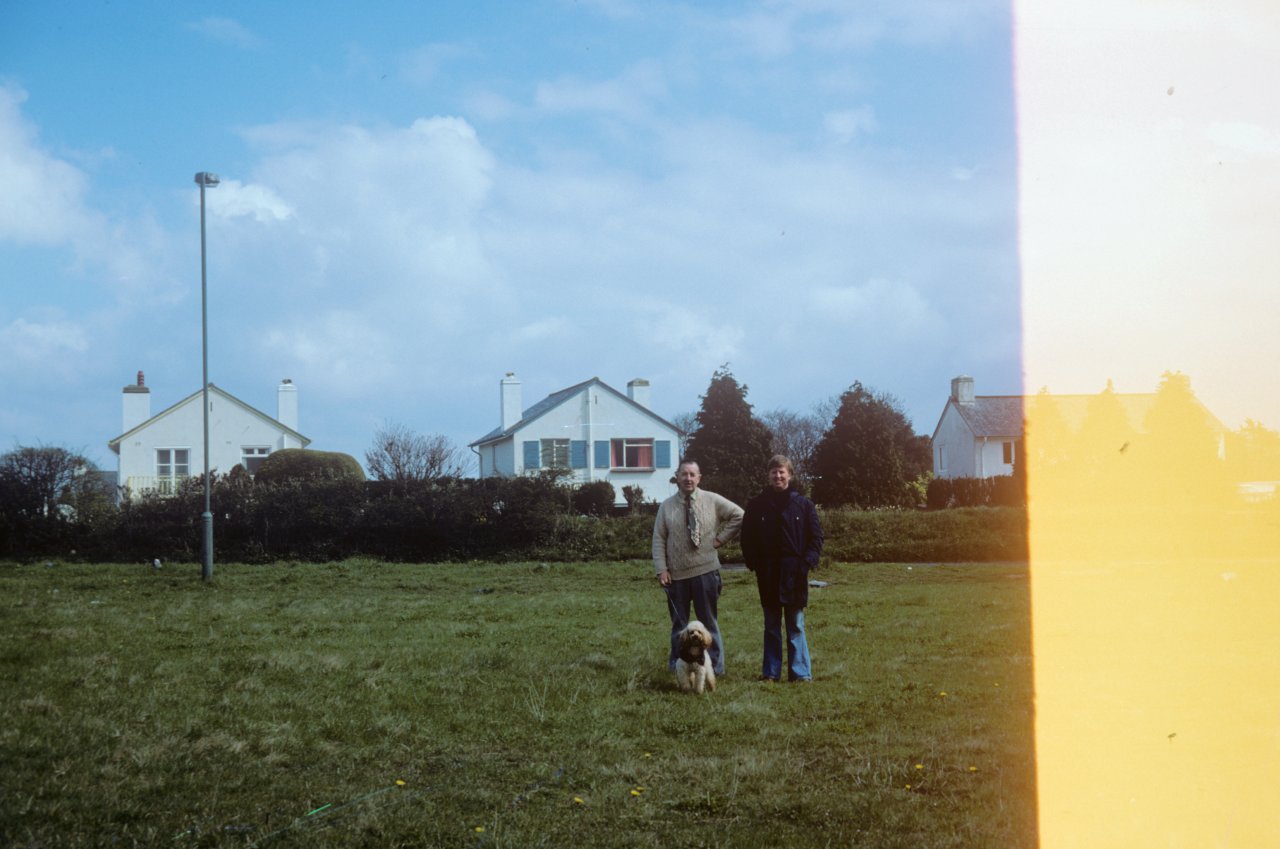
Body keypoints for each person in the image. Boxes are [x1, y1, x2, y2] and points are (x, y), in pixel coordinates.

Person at [652, 459, 744, 678]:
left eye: (693, 474)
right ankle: (678, 666)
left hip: (706, 573)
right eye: (684, 474)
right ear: (677, 477)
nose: (688, 478)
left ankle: (715, 668)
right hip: (677, 576)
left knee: (709, 623)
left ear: (699, 478)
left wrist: (720, 540)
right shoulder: (666, 506)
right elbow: (658, 538)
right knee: (679, 625)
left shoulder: (712, 499)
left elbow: (739, 515)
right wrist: (661, 569)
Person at [741, 455, 823, 683]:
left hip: (794, 573)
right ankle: (771, 672)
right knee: (771, 625)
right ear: (768, 475)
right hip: (767, 574)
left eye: (782, 472)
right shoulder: (756, 505)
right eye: (773, 472)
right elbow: (747, 538)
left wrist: (806, 564)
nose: (778, 476)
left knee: (796, 624)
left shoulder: (804, 505)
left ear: (790, 475)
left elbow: (816, 538)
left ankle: (801, 673)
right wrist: (754, 563)